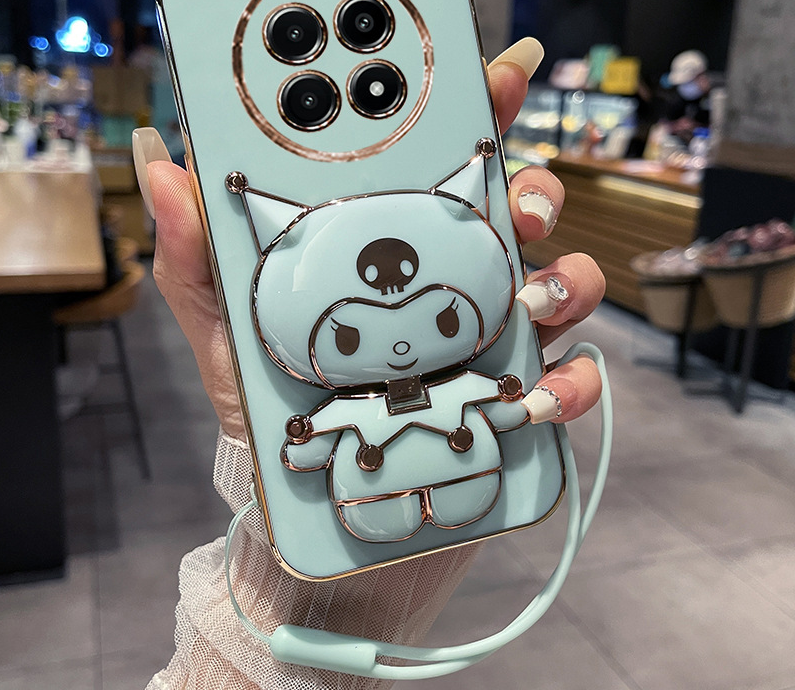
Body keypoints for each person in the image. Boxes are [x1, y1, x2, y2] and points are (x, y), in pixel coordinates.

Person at [133, 37, 606, 690]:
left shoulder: (425, 380)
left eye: (445, 321)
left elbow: (495, 407)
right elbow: (308, 449)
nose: (403, 344)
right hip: (376, 491)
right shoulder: (356, 392)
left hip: (450, 475)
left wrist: (526, 408)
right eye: (350, 337)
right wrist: (288, 459)